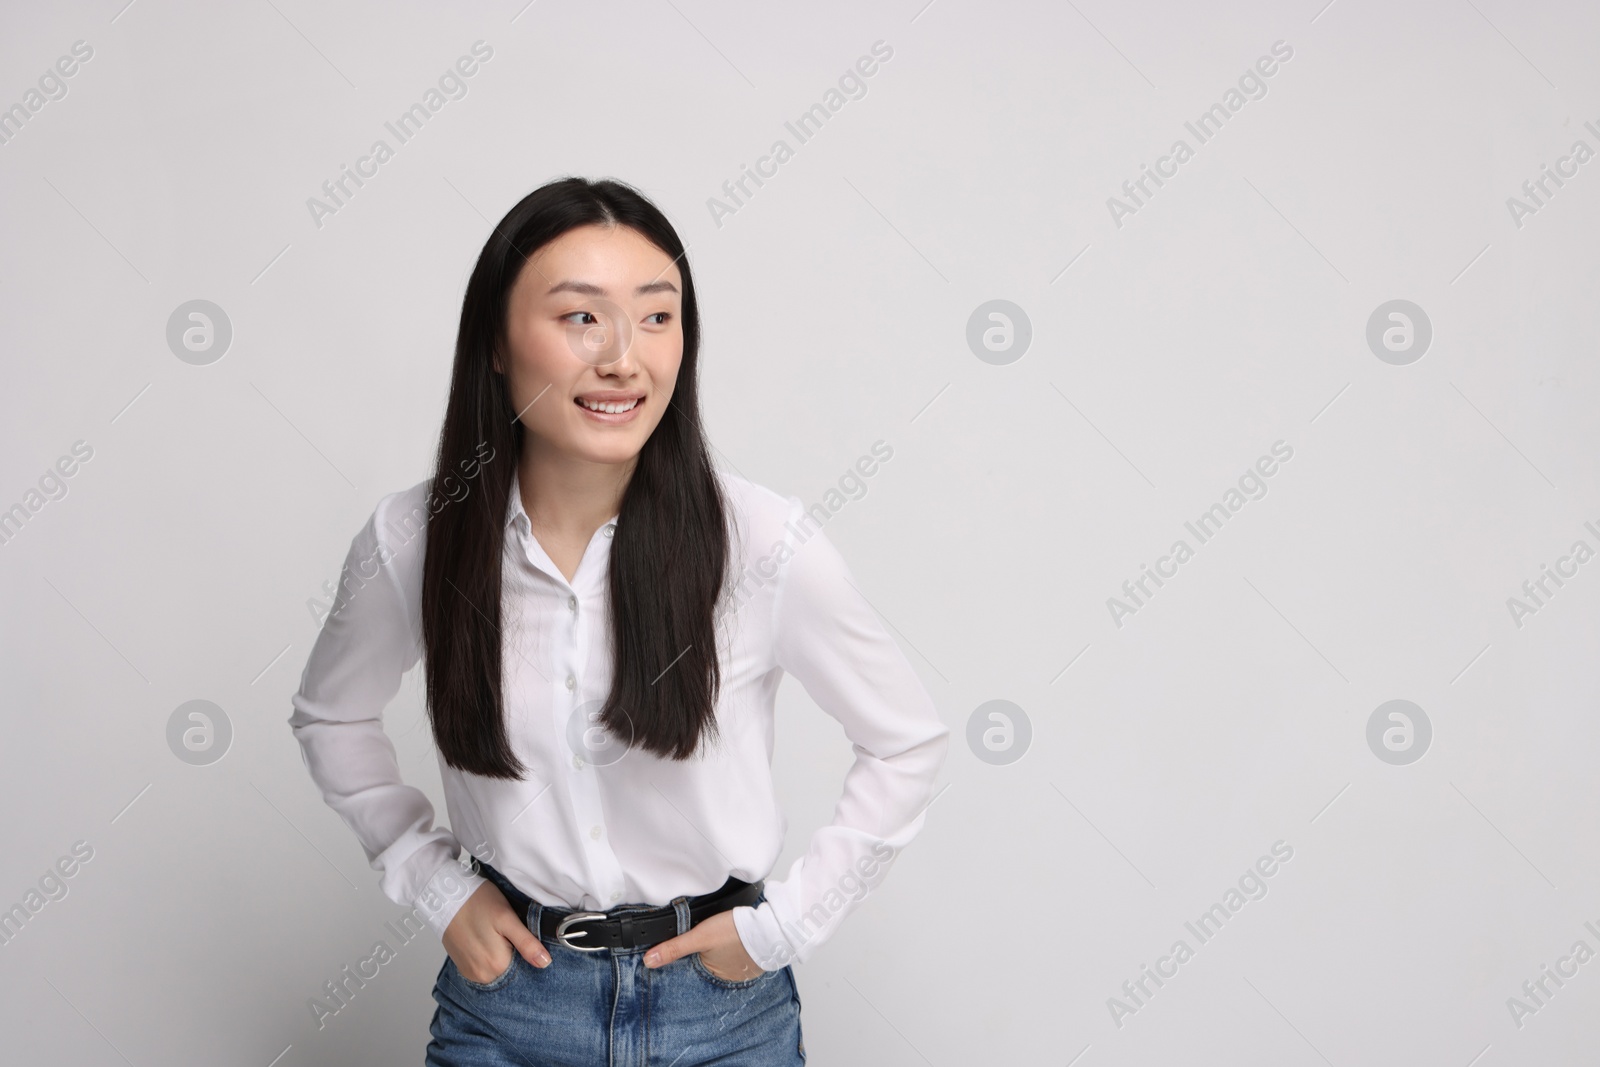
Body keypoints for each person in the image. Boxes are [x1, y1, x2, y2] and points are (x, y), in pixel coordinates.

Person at [287, 176, 949, 1065]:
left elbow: (906, 739)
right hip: (509, 1010)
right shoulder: (415, 538)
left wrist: (782, 927)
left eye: (656, 316)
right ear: (494, 339)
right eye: (581, 318)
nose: (624, 359)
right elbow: (331, 713)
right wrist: (432, 884)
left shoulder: (762, 543)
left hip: (722, 1019)